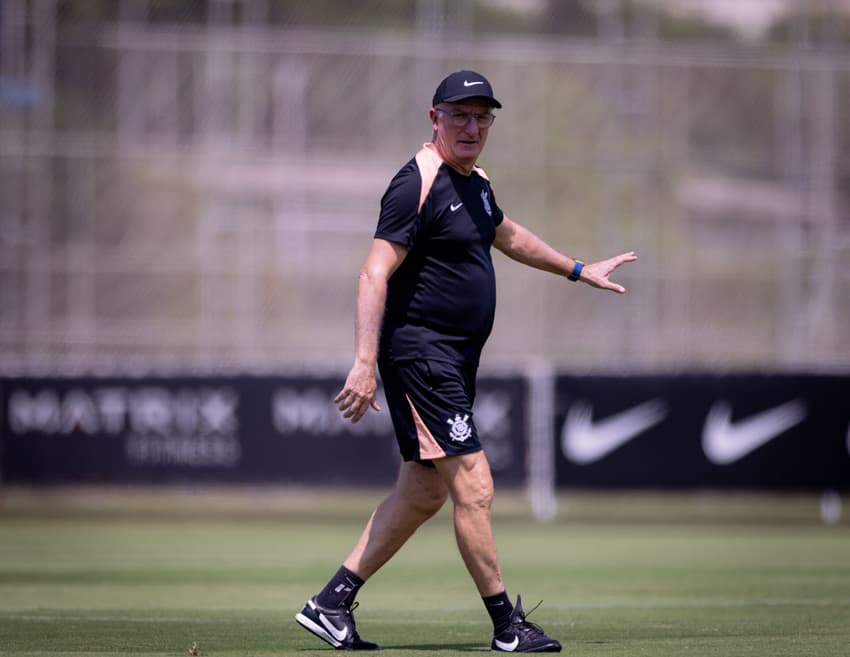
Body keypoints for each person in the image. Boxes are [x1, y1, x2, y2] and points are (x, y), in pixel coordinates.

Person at [295, 70, 636, 652]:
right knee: (474, 487)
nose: (472, 126)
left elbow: (506, 235)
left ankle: (330, 603)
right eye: (460, 115)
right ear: (435, 118)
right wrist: (363, 361)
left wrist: (579, 269)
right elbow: (373, 271)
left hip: (450, 362)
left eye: (482, 116)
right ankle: (508, 627)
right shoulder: (417, 182)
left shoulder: (474, 182)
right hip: (421, 357)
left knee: (423, 493)